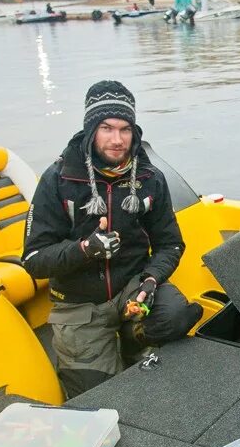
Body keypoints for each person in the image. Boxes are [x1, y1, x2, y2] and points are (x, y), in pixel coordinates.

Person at [23, 80, 203, 398]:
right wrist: (85, 249)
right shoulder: (56, 180)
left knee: (174, 314)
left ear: (135, 132)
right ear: (91, 130)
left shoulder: (150, 178)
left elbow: (170, 244)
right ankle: (109, 356)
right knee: (96, 398)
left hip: (132, 290)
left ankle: (133, 341)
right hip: (79, 303)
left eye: (125, 129)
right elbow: (34, 260)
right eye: (106, 128)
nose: (117, 139)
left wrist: (151, 281)